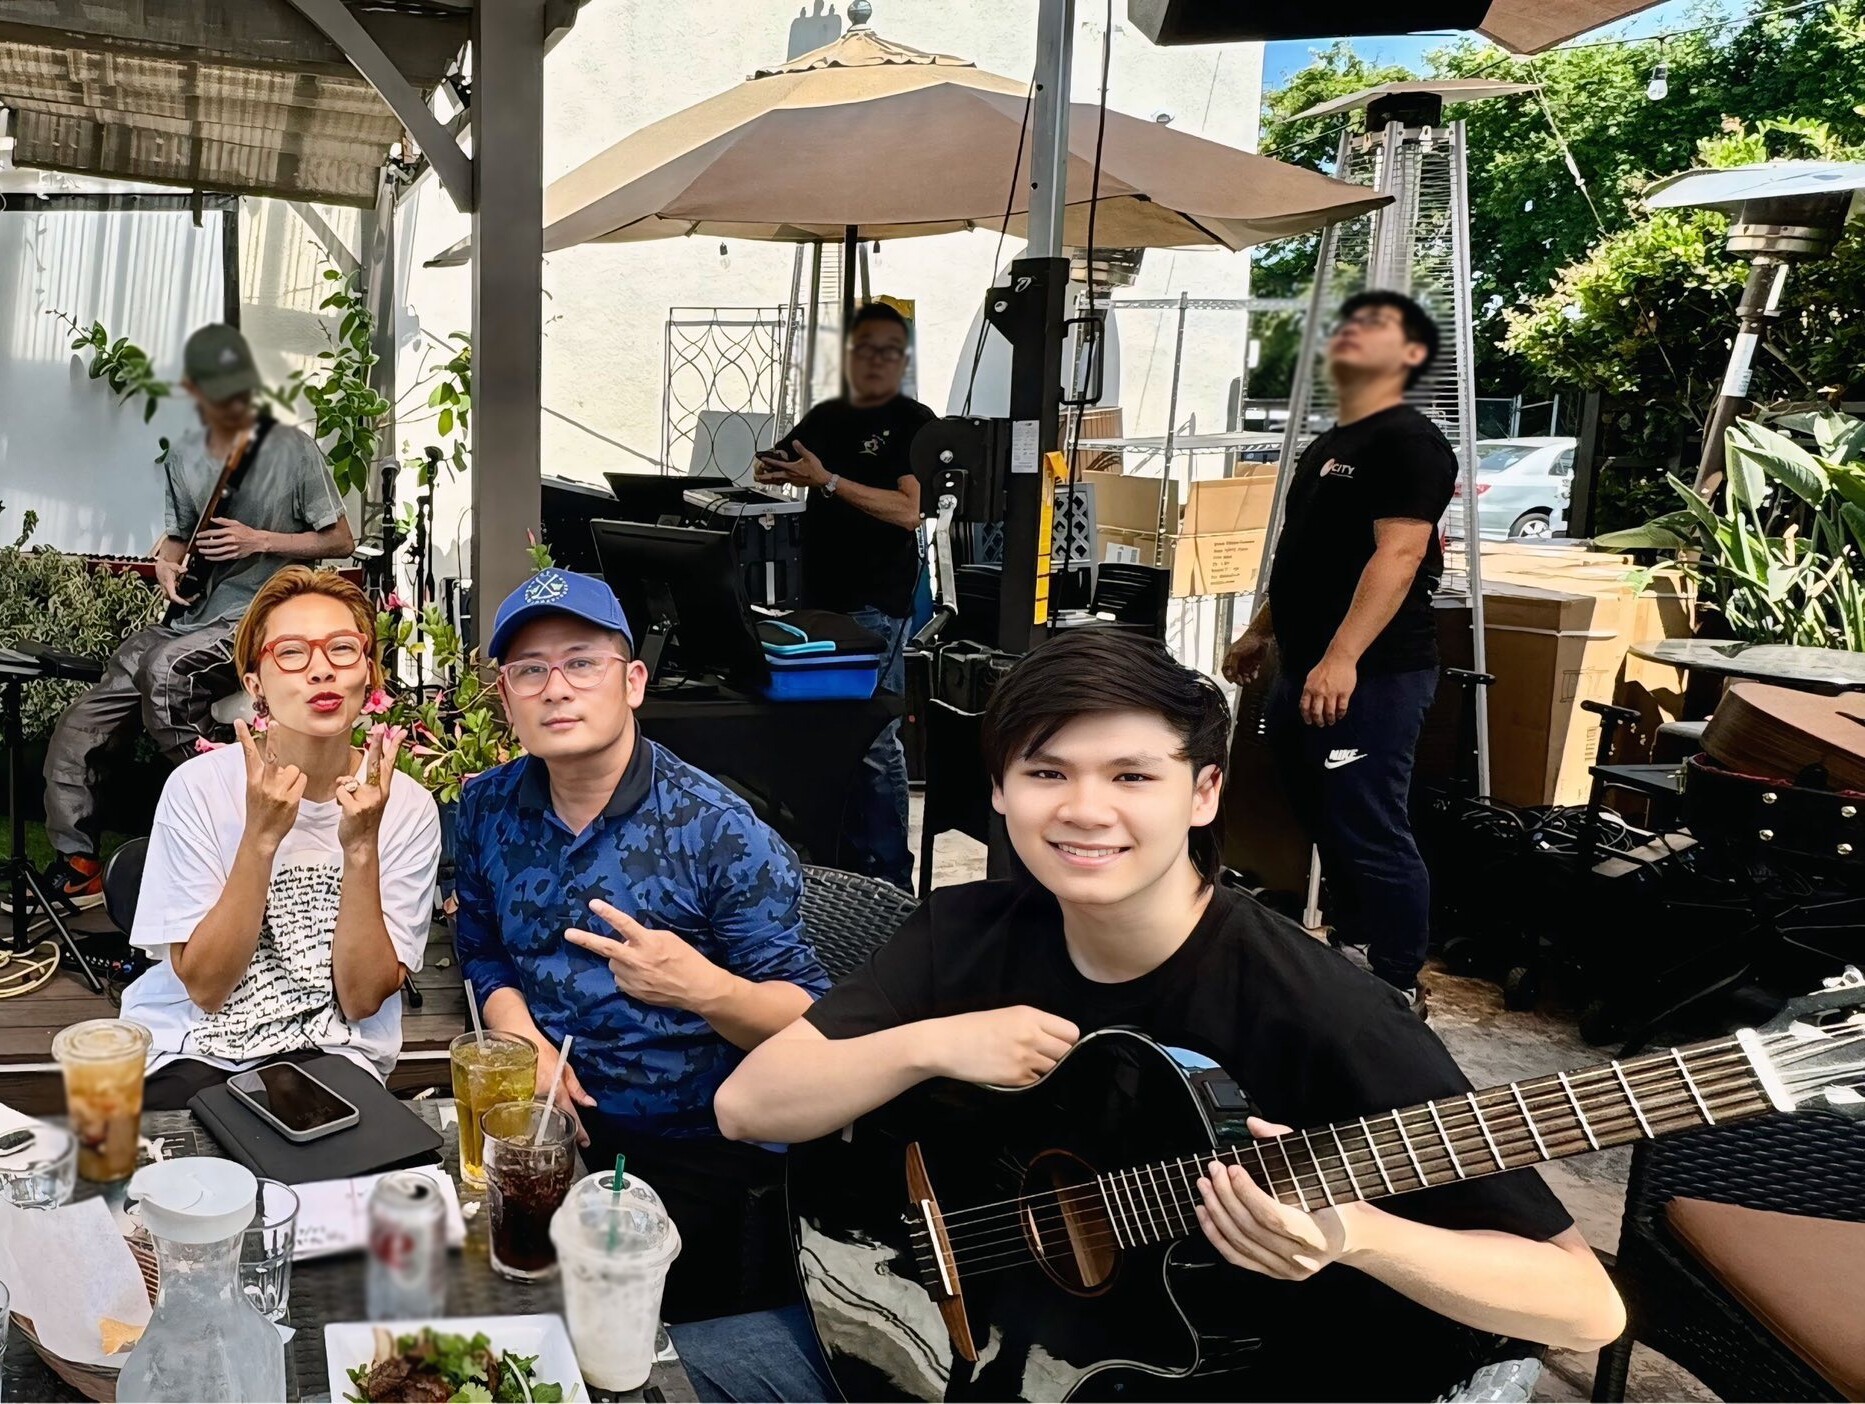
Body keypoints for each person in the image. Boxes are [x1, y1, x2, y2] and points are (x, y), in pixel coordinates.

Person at [678, 629, 1624, 1403]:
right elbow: (749, 1107)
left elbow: (1586, 1305)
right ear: (999, 790)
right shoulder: (964, 933)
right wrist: (932, 1045)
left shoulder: (1324, 1012)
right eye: (1046, 773)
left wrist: (1362, 1236)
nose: (1085, 811)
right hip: (947, 1340)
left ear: (1203, 792)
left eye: (1132, 776)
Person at [451, 569, 831, 1322]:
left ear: (632, 683)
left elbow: (811, 1015)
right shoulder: (486, 805)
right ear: (507, 699)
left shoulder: (717, 829)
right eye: (530, 671)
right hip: (539, 1127)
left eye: (581, 663)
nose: (556, 689)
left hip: (688, 1146)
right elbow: (481, 942)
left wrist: (702, 988)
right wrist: (525, 1045)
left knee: (641, 1354)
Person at [41, 323, 355, 908]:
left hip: (264, 616)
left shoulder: (292, 448)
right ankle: (79, 863)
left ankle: (234, 820)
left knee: (164, 673)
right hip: (197, 616)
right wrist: (165, 563)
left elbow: (341, 539)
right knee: (84, 718)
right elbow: (179, 539)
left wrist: (259, 540)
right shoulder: (184, 455)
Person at [123, 567, 439, 1111]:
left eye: (342, 648)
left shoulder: (406, 807)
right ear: (255, 686)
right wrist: (261, 837)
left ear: (369, 674)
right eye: (292, 652)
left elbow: (362, 999)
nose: (321, 669)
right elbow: (205, 988)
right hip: (192, 1048)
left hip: (334, 1054)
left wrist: (361, 847)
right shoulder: (198, 789)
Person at [1223, 290, 1457, 1011]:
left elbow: (1399, 555)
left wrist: (1343, 657)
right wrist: (1261, 630)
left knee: (1367, 823)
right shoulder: (1333, 443)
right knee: (1321, 816)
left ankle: (1397, 980)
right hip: (1305, 667)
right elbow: (1307, 556)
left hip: (1372, 675)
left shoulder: (1410, 444)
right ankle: (1352, 947)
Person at [754, 301, 934, 891]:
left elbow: (909, 511)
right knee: (825, 736)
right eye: (864, 348)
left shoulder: (913, 422)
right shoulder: (828, 415)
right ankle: (837, 869)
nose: (875, 359)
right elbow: (775, 465)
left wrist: (828, 481)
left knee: (873, 740)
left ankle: (889, 879)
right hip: (816, 605)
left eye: (888, 350)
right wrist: (774, 468)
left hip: (875, 606)